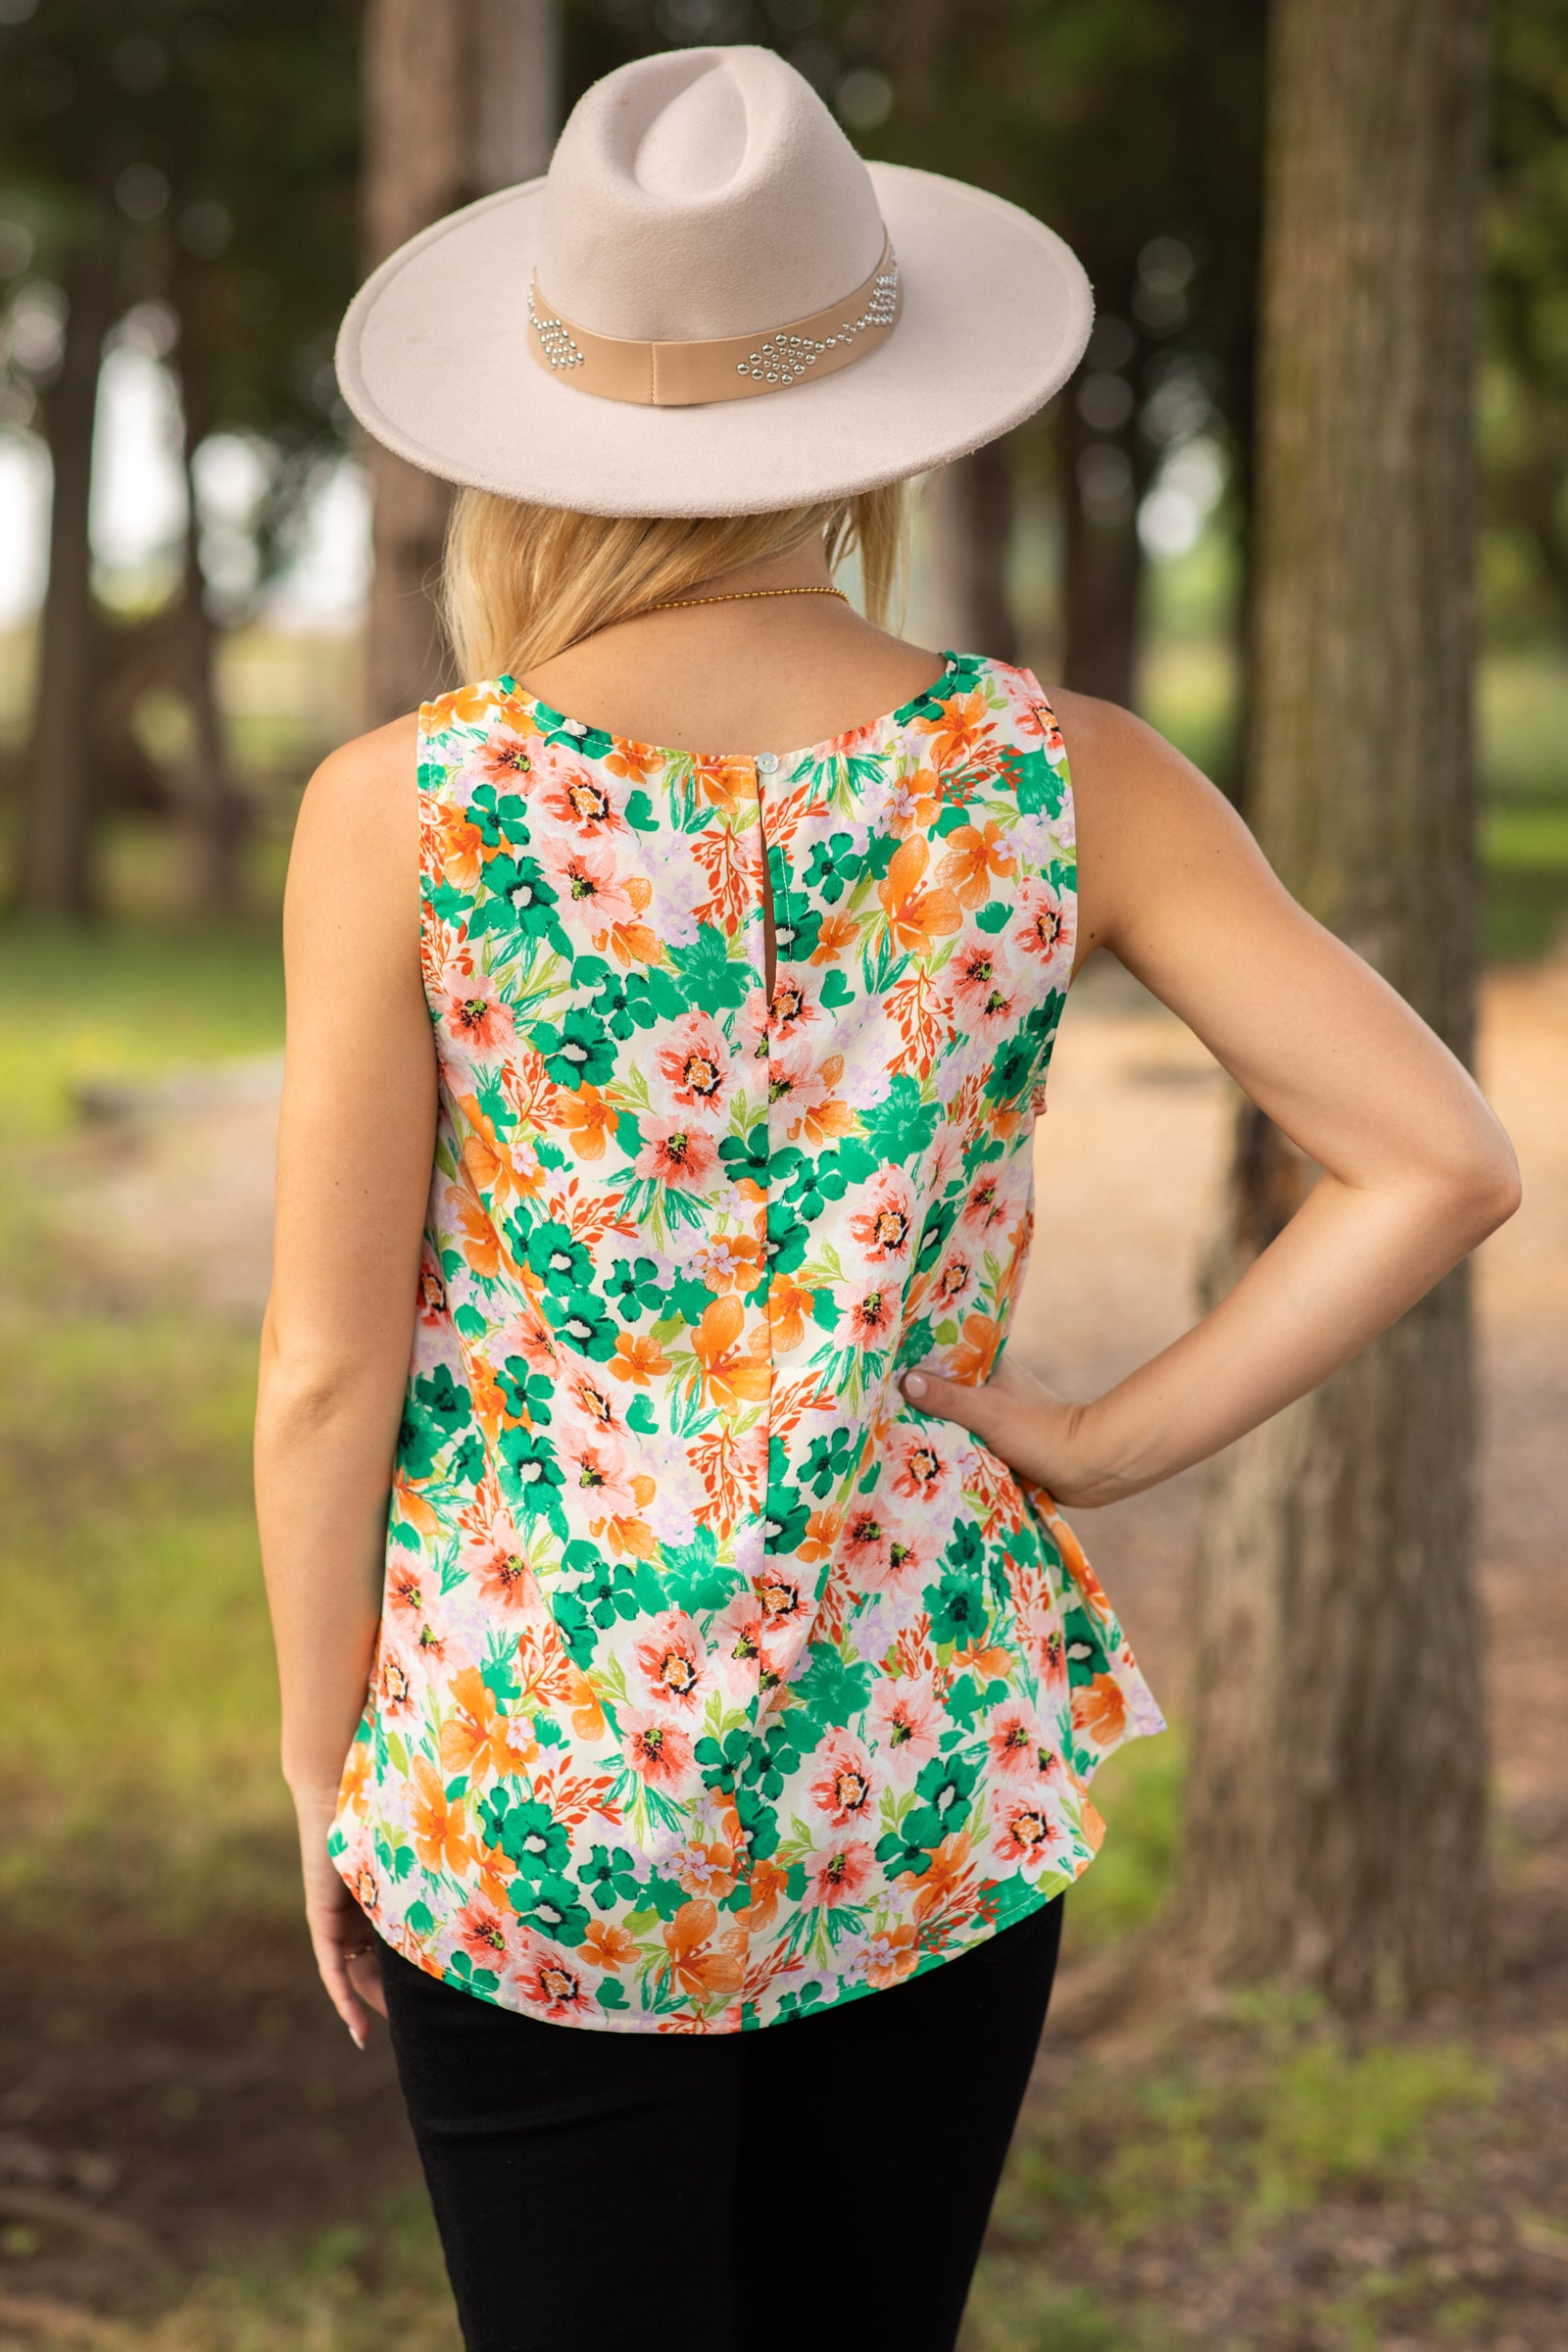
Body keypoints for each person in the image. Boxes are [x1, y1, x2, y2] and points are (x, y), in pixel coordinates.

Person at [253, 43, 1520, 2352]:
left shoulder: (402, 810)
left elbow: (331, 1364)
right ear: (882, 418)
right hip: (914, 1749)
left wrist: (326, 1760)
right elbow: (1434, 1157)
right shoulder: (1064, 779)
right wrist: (1106, 1440)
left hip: (524, 1763)